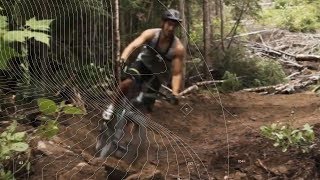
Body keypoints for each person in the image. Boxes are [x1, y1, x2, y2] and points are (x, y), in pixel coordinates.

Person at [103, 8, 186, 120]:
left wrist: (175, 92)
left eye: (174, 26)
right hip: (142, 64)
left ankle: (134, 134)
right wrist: (123, 58)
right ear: (163, 23)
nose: (171, 28)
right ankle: (111, 107)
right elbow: (133, 46)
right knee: (127, 82)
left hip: (157, 75)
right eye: (169, 24)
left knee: (146, 109)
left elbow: (176, 73)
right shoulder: (151, 34)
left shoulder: (178, 48)